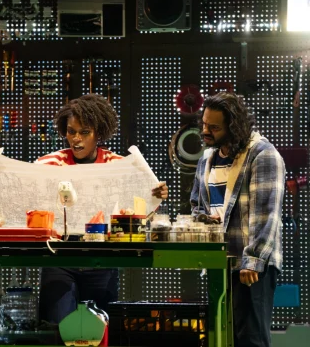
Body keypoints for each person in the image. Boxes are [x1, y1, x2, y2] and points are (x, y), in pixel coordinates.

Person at [34, 94, 168, 324]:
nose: (76, 139)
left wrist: (155, 195)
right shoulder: (49, 164)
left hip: (102, 260)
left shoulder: (115, 165)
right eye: (70, 131)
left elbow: (138, 211)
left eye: (84, 132)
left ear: (99, 133)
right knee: (57, 329)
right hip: (60, 259)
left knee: (98, 330)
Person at [190, 92, 285, 347]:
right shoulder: (207, 159)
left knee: (251, 339)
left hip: (251, 267)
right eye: (204, 124)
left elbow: (266, 214)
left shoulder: (262, 154)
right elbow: (197, 205)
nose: (206, 131)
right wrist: (204, 220)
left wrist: (252, 260)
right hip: (220, 263)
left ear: (233, 126)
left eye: (214, 127)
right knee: (222, 339)